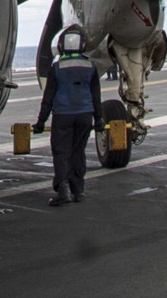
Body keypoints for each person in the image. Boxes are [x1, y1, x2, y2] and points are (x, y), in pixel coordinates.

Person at [32, 26, 103, 207]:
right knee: (78, 152)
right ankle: (78, 190)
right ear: (82, 45)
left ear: (62, 46)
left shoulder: (57, 67)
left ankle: (63, 191)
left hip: (63, 115)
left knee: (61, 153)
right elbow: (96, 96)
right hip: (85, 115)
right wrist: (99, 119)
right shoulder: (90, 66)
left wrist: (41, 122)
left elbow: (48, 98)